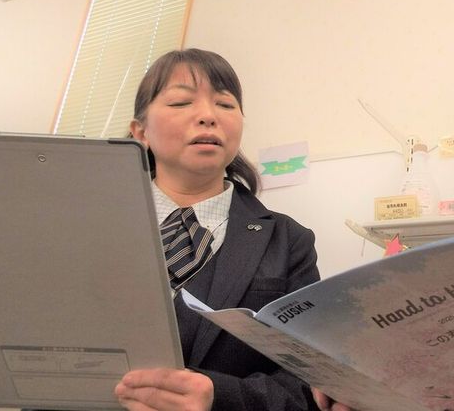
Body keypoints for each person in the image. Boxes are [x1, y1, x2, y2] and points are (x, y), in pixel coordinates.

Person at [114, 48, 320, 411]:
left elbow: (310, 380)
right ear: (140, 132)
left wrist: (219, 396)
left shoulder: (290, 241)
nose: (208, 116)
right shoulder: (89, 228)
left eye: (225, 104)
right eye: (181, 102)